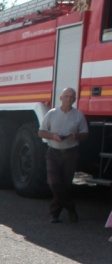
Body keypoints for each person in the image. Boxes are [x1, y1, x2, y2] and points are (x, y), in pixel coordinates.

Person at [38, 87, 89, 224]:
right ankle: (71, 207)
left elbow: (85, 134)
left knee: (66, 185)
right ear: (60, 98)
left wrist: (76, 136)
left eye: (72, 97)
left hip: (71, 153)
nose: (69, 99)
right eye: (66, 96)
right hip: (53, 152)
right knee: (54, 183)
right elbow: (41, 132)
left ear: (75, 99)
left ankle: (54, 214)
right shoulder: (52, 113)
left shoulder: (78, 115)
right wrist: (52, 136)